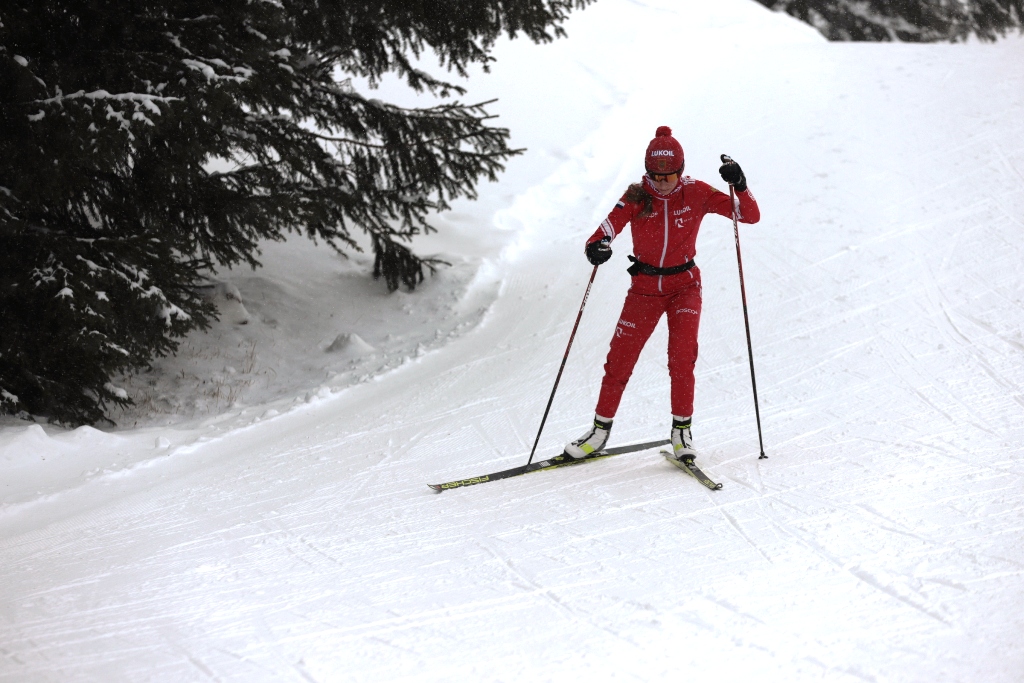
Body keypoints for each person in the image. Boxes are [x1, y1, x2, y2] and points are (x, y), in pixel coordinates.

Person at [564, 126, 760, 464]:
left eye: (669, 175)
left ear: (680, 171)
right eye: (656, 175)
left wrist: (739, 184)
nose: (663, 182)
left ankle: (681, 433)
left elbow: (749, 215)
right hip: (644, 289)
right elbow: (606, 229)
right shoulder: (638, 196)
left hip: (685, 287)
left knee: (682, 359)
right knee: (619, 360)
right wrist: (597, 246)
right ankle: (598, 433)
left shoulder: (697, 192)